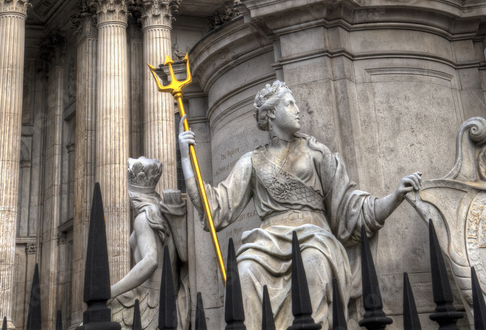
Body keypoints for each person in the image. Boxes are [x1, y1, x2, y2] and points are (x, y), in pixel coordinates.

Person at [179, 80, 421, 330]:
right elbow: (217, 208)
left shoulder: (317, 153)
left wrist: (394, 197)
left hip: (314, 237)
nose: (297, 109)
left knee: (312, 262)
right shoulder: (252, 161)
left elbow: (351, 209)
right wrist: (186, 160)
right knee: (243, 272)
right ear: (271, 113)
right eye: (289, 103)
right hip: (267, 244)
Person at [110, 157, 189, 330]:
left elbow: (150, 261)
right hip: (166, 297)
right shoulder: (163, 214)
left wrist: (113, 290)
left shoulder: (143, 218)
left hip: (149, 301)